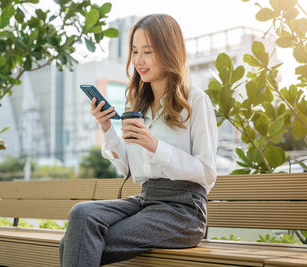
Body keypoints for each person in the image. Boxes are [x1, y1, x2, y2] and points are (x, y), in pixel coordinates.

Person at [59, 14, 218, 267]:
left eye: (147, 51)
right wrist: (107, 127)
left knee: (74, 242)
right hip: (145, 200)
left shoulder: (195, 100)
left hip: (184, 210)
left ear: (169, 51)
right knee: (81, 215)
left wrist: (155, 146)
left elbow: (207, 172)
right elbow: (131, 169)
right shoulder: (138, 105)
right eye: (134, 51)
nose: (139, 60)